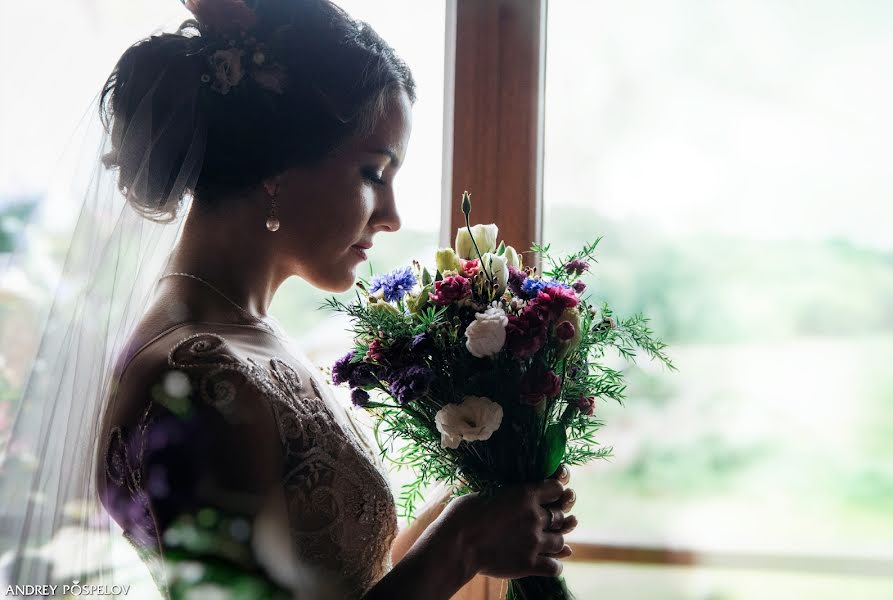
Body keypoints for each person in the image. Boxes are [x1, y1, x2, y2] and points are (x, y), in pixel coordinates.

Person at [9, 1, 578, 598]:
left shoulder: (247, 334)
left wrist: (468, 517)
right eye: (372, 173)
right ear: (277, 168)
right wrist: (459, 547)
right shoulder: (201, 379)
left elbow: (340, 580)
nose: (391, 216)